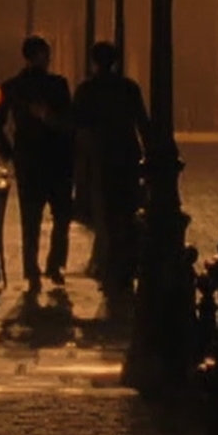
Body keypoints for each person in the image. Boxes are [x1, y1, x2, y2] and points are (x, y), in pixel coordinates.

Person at [0, 35, 75, 293]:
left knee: (41, 217)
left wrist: (9, 153)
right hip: (48, 159)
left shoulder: (16, 86)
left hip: (36, 159)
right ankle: (46, 266)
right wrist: (10, 154)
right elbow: (69, 120)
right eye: (45, 54)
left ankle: (41, 266)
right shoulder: (50, 85)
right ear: (36, 56)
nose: (48, 59)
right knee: (50, 216)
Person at [72, 41, 149, 297]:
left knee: (104, 217)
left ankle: (109, 269)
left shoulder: (86, 90)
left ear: (93, 62)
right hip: (126, 158)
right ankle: (123, 268)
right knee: (126, 215)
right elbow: (142, 123)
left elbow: (78, 127)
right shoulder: (129, 88)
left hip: (100, 160)